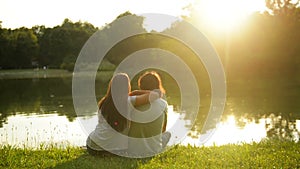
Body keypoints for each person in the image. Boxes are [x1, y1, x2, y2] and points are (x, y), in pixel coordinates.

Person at [86, 73, 161, 156]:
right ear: (127, 87)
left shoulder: (104, 102)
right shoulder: (129, 101)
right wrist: (135, 92)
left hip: (93, 146)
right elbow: (156, 94)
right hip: (115, 150)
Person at [127, 71, 171, 157]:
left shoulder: (133, 101)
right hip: (154, 150)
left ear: (141, 85)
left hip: (132, 149)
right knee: (168, 134)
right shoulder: (163, 104)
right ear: (158, 86)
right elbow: (163, 130)